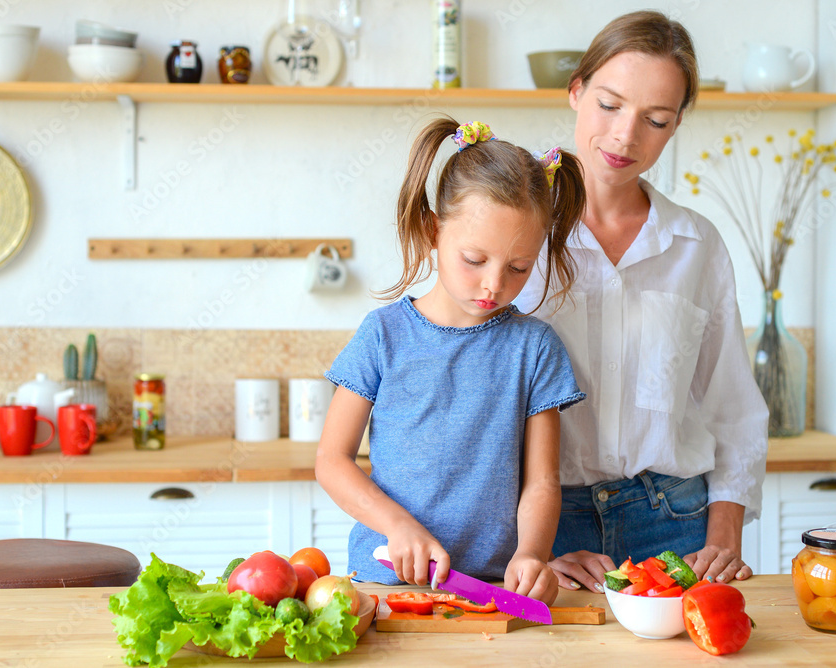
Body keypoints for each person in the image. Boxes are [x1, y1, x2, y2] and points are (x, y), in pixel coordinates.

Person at [514, 10, 769, 593]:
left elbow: (733, 405)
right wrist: (524, 549)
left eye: (654, 119)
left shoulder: (696, 245)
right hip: (546, 527)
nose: (626, 136)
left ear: (675, 125)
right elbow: (471, 401)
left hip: (675, 527)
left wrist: (724, 531)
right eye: (609, 105)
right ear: (576, 92)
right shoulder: (513, 231)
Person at [316, 117, 588, 605]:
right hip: (384, 587)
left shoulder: (535, 348)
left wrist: (531, 552)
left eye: (519, 267)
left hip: (490, 589)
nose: (494, 285)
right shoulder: (382, 336)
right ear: (432, 231)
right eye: (474, 260)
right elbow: (332, 462)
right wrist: (397, 527)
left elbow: (543, 481)